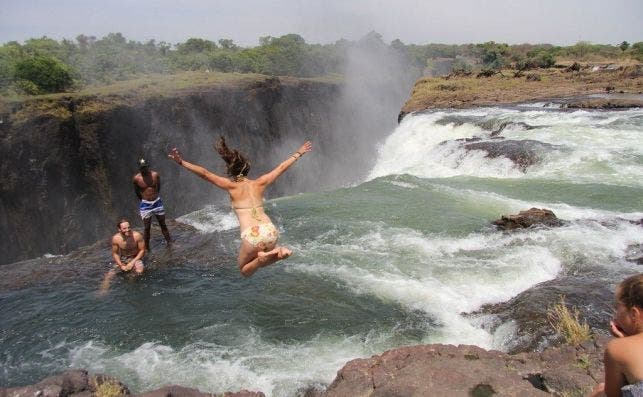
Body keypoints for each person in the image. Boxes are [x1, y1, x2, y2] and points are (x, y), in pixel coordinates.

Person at [168, 137, 312, 277]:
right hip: (270, 230)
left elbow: (205, 174)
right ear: (247, 169)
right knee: (257, 258)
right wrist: (299, 152)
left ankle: (264, 257)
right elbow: (281, 168)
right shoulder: (260, 183)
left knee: (244, 270)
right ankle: (277, 253)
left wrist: (182, 162)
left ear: (231, 171)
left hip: (252, 235)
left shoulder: (231, 186)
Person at [589, 273, 643, 397]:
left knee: (600, 391)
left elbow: (612, 394)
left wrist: (625, 343)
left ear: (634, 313)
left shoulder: (617, 349)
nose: (615, 314)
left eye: (617, 307)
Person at [99, 218, 146, 295]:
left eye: (129, 227)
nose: (127, 230)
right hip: (123, 258)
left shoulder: (137, 236)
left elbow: (142, 250)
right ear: (119, 229)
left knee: (139, 271)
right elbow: (115, 254)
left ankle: (131, 287)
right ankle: (102, 292)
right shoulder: (116, 238)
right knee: (109, 275)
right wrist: (121, 265)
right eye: (124, 228)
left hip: (135, 257)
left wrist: (132, 263)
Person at [133, 158, 171, 250]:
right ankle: (146, 248)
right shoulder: (136, 179)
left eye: (145, 167)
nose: (144, 169)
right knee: (147, 227)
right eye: (142, 168)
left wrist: (154, 197)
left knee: (162, 223)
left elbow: (158, 187)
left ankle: (170, 243)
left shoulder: (155, 175)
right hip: (146, 204)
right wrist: (145, 200)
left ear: (148, 166)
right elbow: (137, 192)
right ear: (139, 168)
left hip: (157, 202)